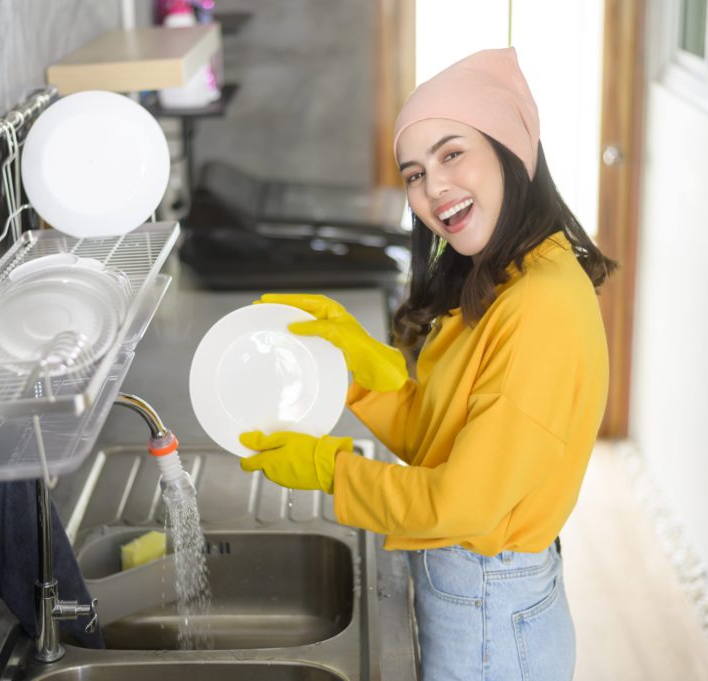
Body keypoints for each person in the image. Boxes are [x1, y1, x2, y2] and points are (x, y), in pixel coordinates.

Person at [238, 47, 617, 680]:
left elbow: (461, 503)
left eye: (452, 153)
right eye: (414, 173)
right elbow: (450, 444)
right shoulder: (512, 272)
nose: (433, 187)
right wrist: (360, 371)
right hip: (478, 593)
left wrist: (334, 470)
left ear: (510, 150)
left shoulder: (540, 306)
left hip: (490, 610)